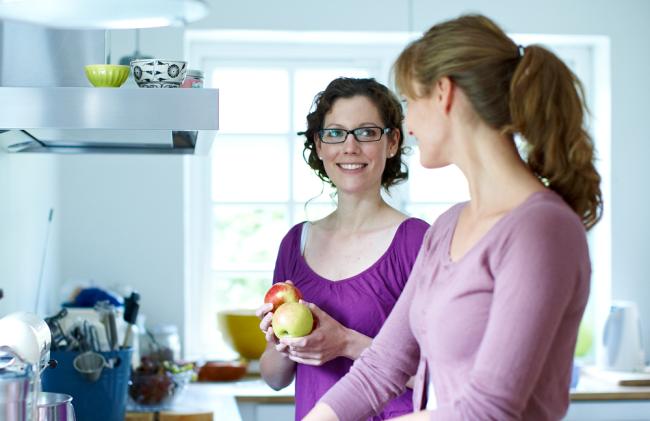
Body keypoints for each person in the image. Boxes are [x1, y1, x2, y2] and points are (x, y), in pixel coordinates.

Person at [303, 14, 603, 421]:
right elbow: (381, 368)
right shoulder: (446, 228)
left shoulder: (542, 230)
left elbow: (488, 412)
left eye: (409, 103)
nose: (407, 126)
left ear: (443, 93)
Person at [256, 77, 430, 420]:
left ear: (392, 142)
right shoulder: (296, 243)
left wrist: (347, 343)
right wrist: (280, 342)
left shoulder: (418, 242)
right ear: (320, 146)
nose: (350, 147)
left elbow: (440, 379)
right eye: (335, 133)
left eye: (366, 132)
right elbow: (275, 378)